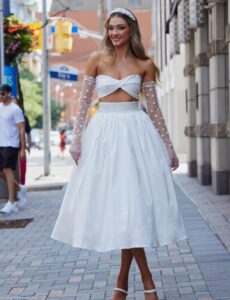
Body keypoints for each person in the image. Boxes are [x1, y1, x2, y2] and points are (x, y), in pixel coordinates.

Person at [51, 8, 187, 300]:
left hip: (136, 135)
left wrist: (169, 147)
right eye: (110, 28)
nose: (114, 33)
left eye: (120, 28)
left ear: (131, 30)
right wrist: (76, 142)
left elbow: (155, 110)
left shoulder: (145, 64)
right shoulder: (96, 60)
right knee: (122, 208)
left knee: (132, 208)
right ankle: (145, 283)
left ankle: (123, 285)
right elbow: (84, 104)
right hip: (104, 136)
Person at [0, 84, 27, 214]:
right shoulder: (0, 107)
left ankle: (11, 202)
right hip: (1, 143)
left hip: (11, 144)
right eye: (0, 93)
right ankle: (19, 188)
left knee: (7, 170)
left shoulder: (15, 109)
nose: (1, 95)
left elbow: (21, 129)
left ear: (9, 93)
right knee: (2, 172)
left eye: (3, 93)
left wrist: (23, 148)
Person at [12, 97, 31, 187]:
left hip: (20, 147)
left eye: (16, 104)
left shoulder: (24, 118)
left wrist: (28, 146)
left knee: (22, 169)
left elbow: (28, 132)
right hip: (9, 147)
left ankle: (21, 187)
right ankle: (15, 189)